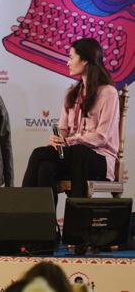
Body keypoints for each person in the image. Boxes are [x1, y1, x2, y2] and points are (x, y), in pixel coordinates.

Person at [22, 38, 119, 205]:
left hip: (99, 159)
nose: (68, 62)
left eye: (71, 57)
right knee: (46, 167)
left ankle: (22, 212)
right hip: (71, 154)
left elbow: (101, 137)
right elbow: (63, 129)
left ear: (85, 60)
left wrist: (69, 141)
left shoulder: (108, 93)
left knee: (74, 151)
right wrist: (58, 138)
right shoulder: (72, 93)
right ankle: (46, 224)